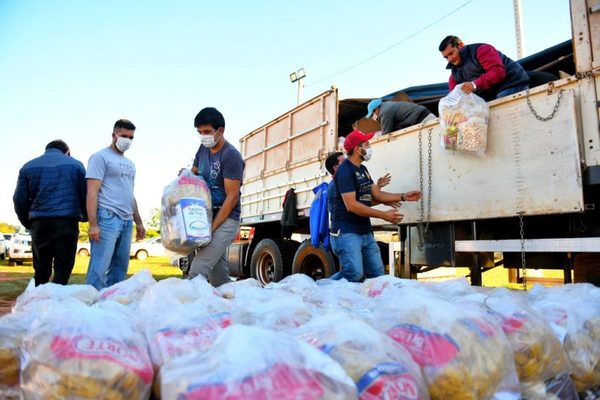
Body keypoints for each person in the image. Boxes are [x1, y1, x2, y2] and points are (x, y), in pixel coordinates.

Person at [328, 130, 421, 282]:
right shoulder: (345, 171)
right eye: (367, 144)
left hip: (364, 230)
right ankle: (322, 290)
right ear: (358, 149)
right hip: (346, 232)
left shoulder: (363, 170)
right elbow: (351, 205)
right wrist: (384, 215)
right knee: (354, 274)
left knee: (378, 275)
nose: (370, 147)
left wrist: (404, 196)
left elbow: (377, 194)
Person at [13, 140, 87, 286]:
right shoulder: (76, 165)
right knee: (63, 268)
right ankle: (56, 303)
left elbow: (19, 199)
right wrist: (84, 216)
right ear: (67, 152)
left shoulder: (28, 166)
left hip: (40, 223)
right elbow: (85, 194)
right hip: (67, 222)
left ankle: (38, 303)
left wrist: (29, 223)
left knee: (41, 269)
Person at [85, 119, 145, 290]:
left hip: (126, 220)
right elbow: (92, 192)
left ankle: (111, 305)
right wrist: (93, 224)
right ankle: (93, 305)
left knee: (120, 269)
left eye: (131, 137)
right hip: (107, 217)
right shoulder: (100, 157)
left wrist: (138, 222)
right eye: (124, 136)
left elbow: (130, 194)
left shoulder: (130, 164)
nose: (128, 140)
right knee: (99, 267)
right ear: (114, 135)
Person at [189, 107, 245, 287]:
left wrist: (211, 229)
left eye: (207, 132)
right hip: (207, 214)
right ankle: (226, 302)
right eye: (199, 132)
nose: (203, 136)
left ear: (220, 131)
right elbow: (194, 174)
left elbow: (232, 198)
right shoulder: (203, 149)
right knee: (218, 273)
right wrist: (185, 177)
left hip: (227, 217)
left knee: (199, 268)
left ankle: (187, 306)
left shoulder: (231, 156)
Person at [439, 35, 529, 100]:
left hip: (512, 83)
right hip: (491, 95)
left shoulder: (482, 50)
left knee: (501, 108)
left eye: (451, 53)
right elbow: (454, 97)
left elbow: (498, 72)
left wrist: (474, 84)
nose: (449, 59)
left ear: (461, 45)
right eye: (446, 57)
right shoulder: (454, 76)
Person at [366, 99, 436, 135]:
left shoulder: (384, 111)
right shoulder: (387, 106)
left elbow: (386, 133)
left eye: (372, 115)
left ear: (376, 110)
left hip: (426, 120)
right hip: (424, 117)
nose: (373, 117)